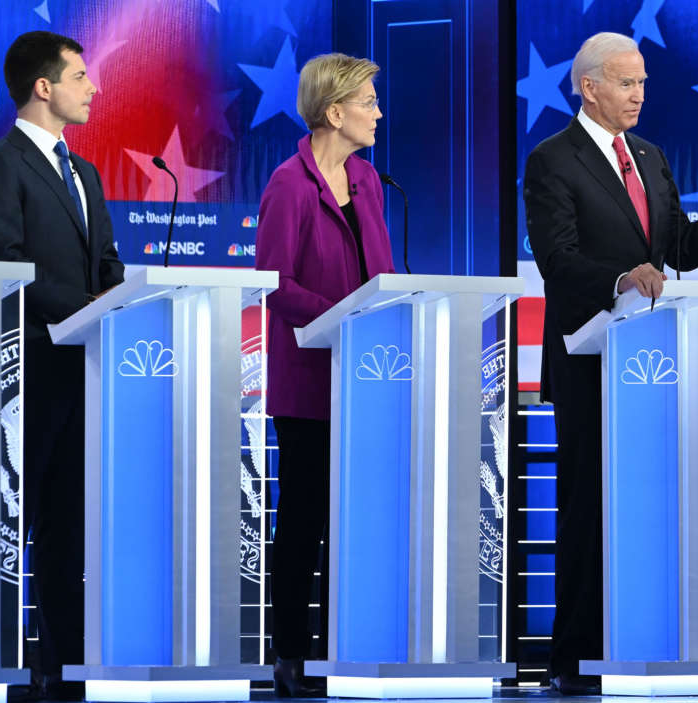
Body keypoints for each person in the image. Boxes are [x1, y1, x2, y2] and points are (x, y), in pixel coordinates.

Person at [523, 31, 698, 696]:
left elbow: (681, 250)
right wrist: (622, 278)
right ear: (590, 88)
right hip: (589, 359)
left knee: (651, 504)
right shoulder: (553, 160)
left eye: (643, 82)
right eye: (626, 82)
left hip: (654, 368)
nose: (640, 94)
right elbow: (558, 260)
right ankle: (573, 659)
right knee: (588, 508)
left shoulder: (650, 155)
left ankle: (642, 642)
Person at [0, 30, 124, 701]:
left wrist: (117, 298)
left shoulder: (84, 172)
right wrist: (83, 304)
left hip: (85, 373)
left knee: (70, 534)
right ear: (43, 86)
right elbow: (3, 263)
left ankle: (63, 674)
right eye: (81, 76)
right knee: (10, 527)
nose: (93, 88)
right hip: (23, 380)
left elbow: (107, 263)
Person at [254, 52, 395, 698]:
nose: (378, 112)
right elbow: (276, 284)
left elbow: (384, 280)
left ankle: (349, 646)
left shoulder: (367, 180)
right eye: (368, 102)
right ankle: (290, 655)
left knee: (357, 519)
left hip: (366, 383)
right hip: (310, 381)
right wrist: (342, 316)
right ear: (334, 112)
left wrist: (383, 314)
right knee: (305, 516)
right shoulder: (290, 183)